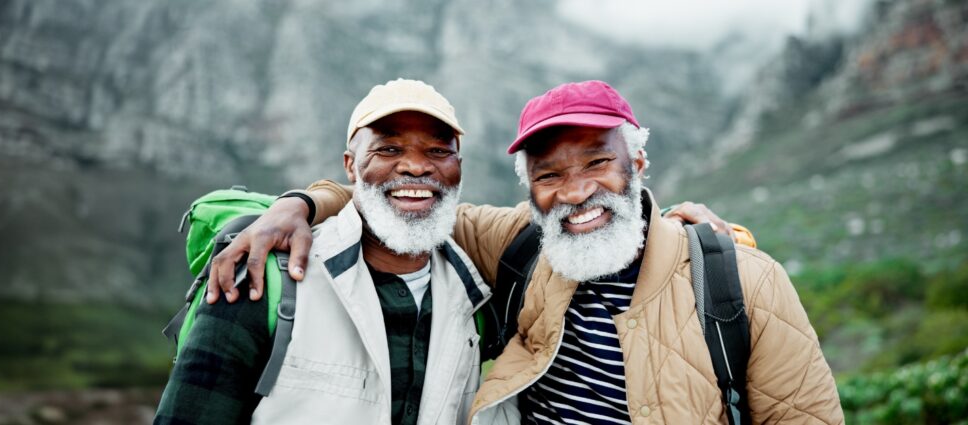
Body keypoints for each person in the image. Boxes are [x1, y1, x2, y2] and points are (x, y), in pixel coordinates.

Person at [208, 80, 841, 424]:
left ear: (639, 162)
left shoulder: (740, 281)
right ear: (529, 190)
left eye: (599, 162)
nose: (577, 192)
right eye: (549, 175)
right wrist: (300, 203)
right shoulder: (517, 243)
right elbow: (402, 197)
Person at [155, 79, 493, 424]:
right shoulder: (265, 278)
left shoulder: (478, 298)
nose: (416, 167)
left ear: (459, 167)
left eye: (438, 151)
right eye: (389, 149)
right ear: (350, 166)